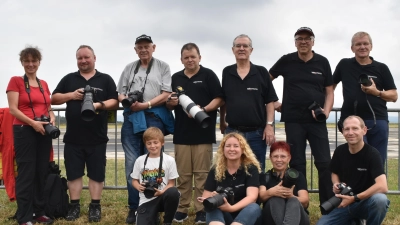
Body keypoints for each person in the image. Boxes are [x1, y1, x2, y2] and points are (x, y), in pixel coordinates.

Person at [269, 27, 334, 213]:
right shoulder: (287, 60)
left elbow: (329, 91)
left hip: (317, 121)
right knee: (297, 163)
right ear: (295, 42)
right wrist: (274, 101)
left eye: (307, 38)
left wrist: (327, 111)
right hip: (294, 120)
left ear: (313, 41)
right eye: (299, 38)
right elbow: (266, 80)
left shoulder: (322, 62)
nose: (303, 41)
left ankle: (327, 208)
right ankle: (299, 207)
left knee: (324, 163)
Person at [51, 45, 118, 222]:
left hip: (97, 137)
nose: (83, 61)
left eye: (86, 57)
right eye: (80, 58)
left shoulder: (105, 79)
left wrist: (99, 105)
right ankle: (74, 206)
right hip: (73, 137)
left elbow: (115, 100)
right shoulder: (69, 79)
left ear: (94, 58)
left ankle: (95, 206)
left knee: (97, 174)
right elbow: (54, 98)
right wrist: (72, 95)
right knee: (74, 174)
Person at [116, 34, 174, 224]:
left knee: (154, 165)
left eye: (146, 46)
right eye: (139, 47)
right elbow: (120, 92)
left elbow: (166, 93)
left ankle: (155, 206)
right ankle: (135, 208)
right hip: (132, 118)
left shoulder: (163, 67)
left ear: (153, 47)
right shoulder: (129, 68)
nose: (143, 50)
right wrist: (128, 102)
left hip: (153, 117)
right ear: (135, 49)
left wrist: (146, 104)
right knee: (132, 165)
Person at [166, 43, 224, 224]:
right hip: (182, 134)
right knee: (183, 175)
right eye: (186, 57)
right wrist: (171, 103)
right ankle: (182, 208)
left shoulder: (209, 75)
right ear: (181, 59)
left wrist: (204, 109)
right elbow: (168, 101)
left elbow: (220, 98)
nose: (190, 60)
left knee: (202, 175)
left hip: (203, 133)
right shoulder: (175, 77)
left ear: (200, 57)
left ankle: (201, 209)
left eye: (193, 56)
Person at [333, 31, 398, 165]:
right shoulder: (344, 65)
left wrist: (377, 92)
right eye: (358, 44)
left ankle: (378, 185)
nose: (362, 47)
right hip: (352, 120)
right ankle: (359, 186)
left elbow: (394, 96)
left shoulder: (381, 68)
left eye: (365, 44)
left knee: (378, 161)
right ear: (352, 48)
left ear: (371, 46)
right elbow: (329, 87)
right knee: (358, 160)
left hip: (377, 119)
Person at [6, 46, 54, 225]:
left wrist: (52, 118)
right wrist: (33, 123)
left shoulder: (44, 84)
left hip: (43, 131)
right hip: (24, 130)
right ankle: (25, 216)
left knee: (41, 171)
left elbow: (48, 107)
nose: (31, 64)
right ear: (22, 62)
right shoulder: (16, 81)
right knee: (27, 173)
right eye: (27, 61)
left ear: (39, 62)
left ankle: (39, 212)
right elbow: (13, 109)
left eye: (34, 61)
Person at [220, 34, 278, 172]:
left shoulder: (261, 72)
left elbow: (270, 101)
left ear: (251, 50)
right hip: (233, 131)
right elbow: (224, 100)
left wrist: (269, 126)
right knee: (232, 170)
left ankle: (256, 194)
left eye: (245, 46)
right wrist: (222, 121)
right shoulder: (227, 72)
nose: (241, 48)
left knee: (257, 170)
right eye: (238, 46)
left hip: (257, 133)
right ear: (232, 49)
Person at [317, 116, 390, 224]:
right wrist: (336, 183)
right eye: (347, 129)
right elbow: (334, 172)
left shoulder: (372, 154)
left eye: (355, 128)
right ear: (342, 131)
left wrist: (355, 198)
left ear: (364, 130)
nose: (350, 132)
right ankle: (355, 221)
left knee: (380, 200)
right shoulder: (340, 151)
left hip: (364, 202)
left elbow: (382, 186)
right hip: (343, 203)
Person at [198, 132, 262, 225]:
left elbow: (252, 197)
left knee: (253, 207)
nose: (232, 149)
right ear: (223, 149)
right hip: (223, 213)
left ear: (242, 149)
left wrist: (231, 208)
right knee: (212, 207)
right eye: (228, 146)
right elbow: (206, 196)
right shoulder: (215, 169)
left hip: (245, 214)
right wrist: (213, 197)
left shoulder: (251, 169)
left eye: (236, 146)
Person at [130, 127, 180, 225]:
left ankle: (167, 221)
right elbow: (134, 180)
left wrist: (161, 192)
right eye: (149, 143)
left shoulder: (169, 160)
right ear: (145, 144)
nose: (152, 146)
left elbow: (171, 183)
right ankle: (152, 216)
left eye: (155, 142)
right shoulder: (140, 160)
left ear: (162, 142)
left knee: (173, 192)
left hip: (163, 197)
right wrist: (138, 186)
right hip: (146, 199)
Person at [259, 141, 310, 225]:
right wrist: (271, 192)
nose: (279, 160)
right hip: (271, 218)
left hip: (299, 219)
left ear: (289, 158)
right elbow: (261, 197)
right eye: (275, 156)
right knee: (275, 199)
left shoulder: (298, 175)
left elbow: (305, 201)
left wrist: (291, 196)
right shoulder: (265, 176)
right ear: (270, 157)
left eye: (283, 156)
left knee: (293, 201)